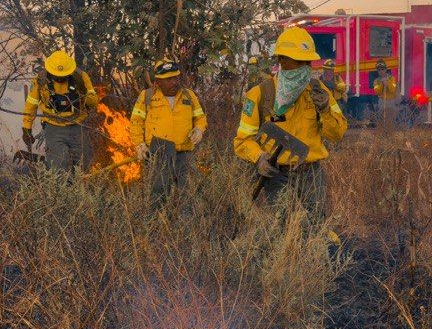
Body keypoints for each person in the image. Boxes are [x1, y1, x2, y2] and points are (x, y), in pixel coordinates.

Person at [234, 25, 347, 217]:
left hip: (311, 173)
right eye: (299, 62)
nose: (305, 68)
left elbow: (337, 134)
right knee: (281, 228)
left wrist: (326, 110)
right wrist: (259, 157)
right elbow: (243, 141)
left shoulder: (319, 91)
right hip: (276, 174)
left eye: (307, 62)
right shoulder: (260, 94)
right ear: (282, 61)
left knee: (317, 227)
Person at [130, 59, 207, 193]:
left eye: (176, 78)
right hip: (159, 155)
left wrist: (199, 128)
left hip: (184, 154)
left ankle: (185, 215)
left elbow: (200, 117)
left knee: (188, 193)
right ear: (158, 81)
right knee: (158, 194)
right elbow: (136, 121)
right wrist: (139, 144)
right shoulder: (147, 96)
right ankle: (158, 215)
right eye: (169, 79)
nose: (174, 82)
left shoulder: (189, 95)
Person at [22, 50, 98, 172]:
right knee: (59, 166)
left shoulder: (81, 77)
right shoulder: (41, 81)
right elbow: (31, 105)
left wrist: (86, 97)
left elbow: (93, 101)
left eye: (63, 75)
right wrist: (26, 128)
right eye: (56, 75)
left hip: (78, 127)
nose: (60, 78)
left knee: (84, 166)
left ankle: (82, 190)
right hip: (53, 128)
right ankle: (62, 190)